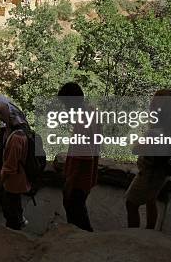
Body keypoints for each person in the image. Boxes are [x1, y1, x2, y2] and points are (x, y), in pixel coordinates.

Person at [125, 89, 171, 229]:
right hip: (162, 172)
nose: (150, 106)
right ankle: (150, 231)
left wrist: (138, 141)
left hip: (149, 173)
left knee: (131, 203)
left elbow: (136, 149)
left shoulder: (155, 133)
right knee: (151, 199)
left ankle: (133, 235)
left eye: (153, 104)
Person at [58, 82, 100, 231]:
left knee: (75, 213)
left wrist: (69, 182)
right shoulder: (92, 112)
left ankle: (82, 241)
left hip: (79, 180)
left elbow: (83, 158)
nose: (65, 107)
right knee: (79, 209)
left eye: (65, 103)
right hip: (88, 177)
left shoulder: (82, 123)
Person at [0, 96, 31, 230]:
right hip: (17, 177)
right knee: (14, 202)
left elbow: (10, 166)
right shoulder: (16, 127)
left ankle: (13, 230)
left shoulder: (17, 137)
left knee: (10, 206)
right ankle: (19, 221)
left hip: (14, 179)